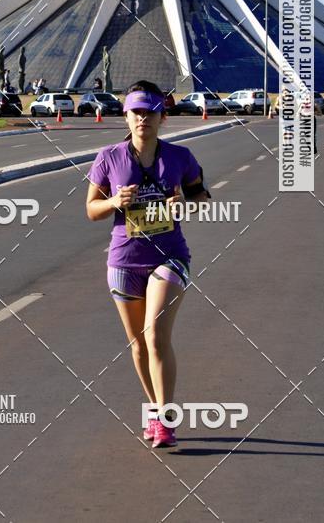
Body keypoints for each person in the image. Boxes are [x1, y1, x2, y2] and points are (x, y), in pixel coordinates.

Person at [86, 80, 210, 449]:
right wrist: (114, 203)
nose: (143, 119)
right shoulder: (108, 158)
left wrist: (184, 204)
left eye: (150, 112)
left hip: (170, 255)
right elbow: (91, 210)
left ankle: (167, 420)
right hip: (124, 259)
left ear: (162, 117)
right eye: (136, 112)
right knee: (138, 344)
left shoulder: (180, 157)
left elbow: (201, 193)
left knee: (156, 335)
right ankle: (155, 411)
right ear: (126, 115)